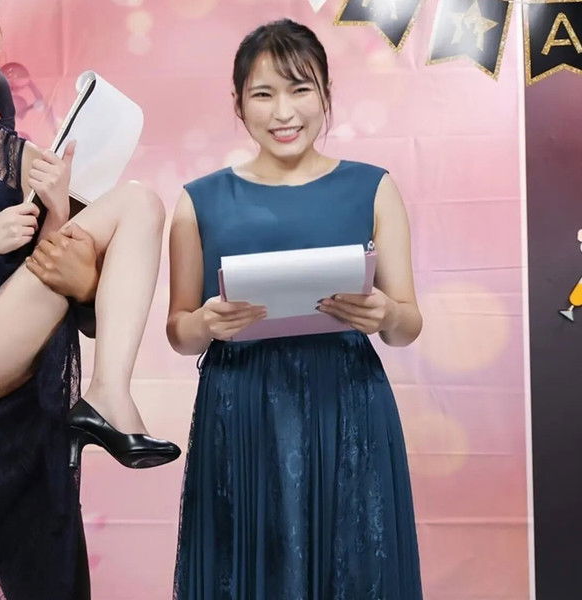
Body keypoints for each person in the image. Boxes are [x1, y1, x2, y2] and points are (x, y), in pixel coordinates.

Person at [168, 18, 423, 600]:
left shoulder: (374, 188)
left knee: (354, 569)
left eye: (300, 89)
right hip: (242, 409)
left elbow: (408, 324)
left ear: (326, 94)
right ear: (238, 104)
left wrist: (385, 314)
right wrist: (204, 323)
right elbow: (179, 331)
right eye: (263, 94)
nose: (283, 112)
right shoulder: (197, 201)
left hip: (347, 406)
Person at [0, 2, 179, 598]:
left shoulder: (12, 149)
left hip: (1, 353)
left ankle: (107, 395)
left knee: (139, 202)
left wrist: (57, 211)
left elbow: (46, 271)